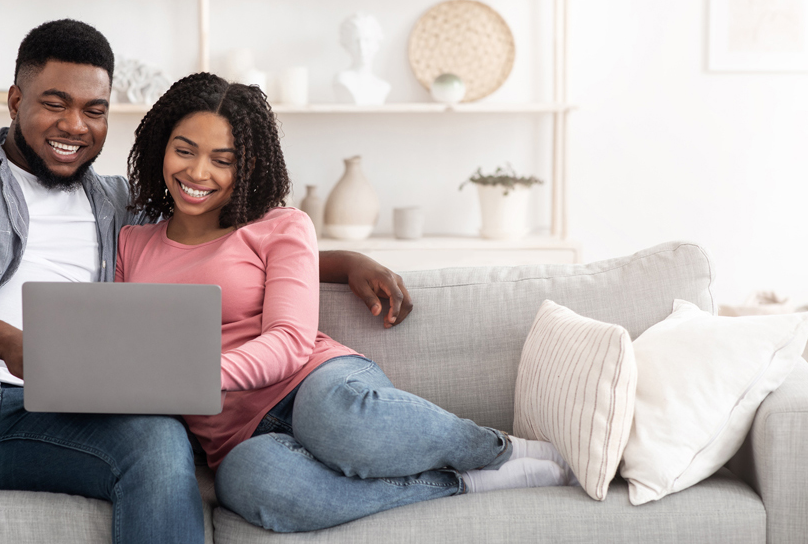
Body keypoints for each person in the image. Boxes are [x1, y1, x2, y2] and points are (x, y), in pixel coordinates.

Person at [0, 20, 412, 544]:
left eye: (94, 110)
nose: (75, 124)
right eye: (53, 102)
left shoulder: (118, 204)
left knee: (158, 440)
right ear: (15, 99)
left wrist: (342, 260)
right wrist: (13, 344)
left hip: (65, 415)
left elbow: (218, 242)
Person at [117, 72, 577, 534]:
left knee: (333, 419)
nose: (198, 173)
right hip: (238, 440)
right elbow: (123, 346)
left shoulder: (281, 226)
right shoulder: (131, 246)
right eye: (184, 150)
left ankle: (496, 450)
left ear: (248, 166)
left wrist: (197, 376)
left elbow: (290, 341)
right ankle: (458, 484)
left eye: (223, 160)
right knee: (250, 482)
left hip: (314, 383)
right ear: (161, 146)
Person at [333, 12, 391, 105]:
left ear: (377, 43)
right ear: (347, 45)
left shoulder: (383, 86)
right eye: (356, 41)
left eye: (367, 40)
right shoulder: (343, 80)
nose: (362, 47)